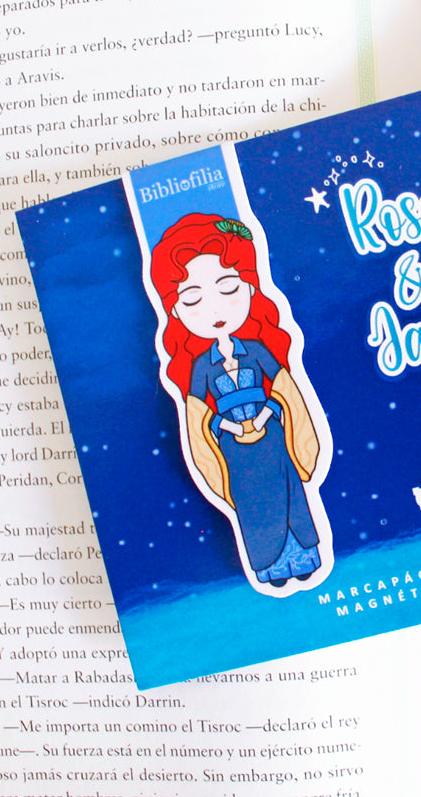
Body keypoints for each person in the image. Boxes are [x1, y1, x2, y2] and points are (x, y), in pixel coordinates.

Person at [150, 212, 327, 589]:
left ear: (249, 287)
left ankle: (302, 558)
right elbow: (199, 416)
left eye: (228, 289)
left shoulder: (259, 350)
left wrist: (264, 416)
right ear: (176, 309)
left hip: (272, 439)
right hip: (235, 451)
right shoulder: (200, 366)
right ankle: (270, 567)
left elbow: (284, 391)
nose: (214, 310)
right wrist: (226, 425)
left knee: (289, 494)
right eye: (193, 298)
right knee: (253, 505)